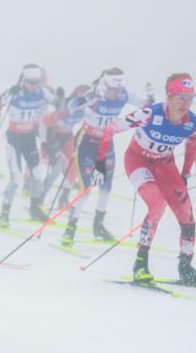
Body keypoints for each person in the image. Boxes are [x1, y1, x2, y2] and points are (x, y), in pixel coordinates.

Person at [95, 73, 196, 284]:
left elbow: (192, 144)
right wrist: (100, 163)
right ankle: (140, 263)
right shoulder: (149, 114)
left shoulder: (191, 122)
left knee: (187, 215)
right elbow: (109, 129)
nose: (185, 104)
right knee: (157, 204)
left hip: (166, 167)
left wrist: (185, 172)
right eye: (181, 98)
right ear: (169, 96)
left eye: (190, 98)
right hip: (138, 162)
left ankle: (185, 266)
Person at [61, 68, 150, 246]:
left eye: (118, 89)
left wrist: (151, 98)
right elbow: (70, 107)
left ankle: (98, 225)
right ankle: (70, 228)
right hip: (86, 144)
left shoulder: (124, 95)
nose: (116, 93)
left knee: (106, 187)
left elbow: (145, 106)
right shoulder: (94, 95)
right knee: (86, 188)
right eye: (112, 89)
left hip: (106, 144)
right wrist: (86, 98)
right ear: (104, 85)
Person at [0, 64, 57, 227]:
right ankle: (4, 213)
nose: (33, 86)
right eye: (30, 82)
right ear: (24, 80)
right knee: (16, 178)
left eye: (36, 82)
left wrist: (60, 99)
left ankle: (35, 209)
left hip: (29, 138)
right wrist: (8, 92)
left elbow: (59, 104)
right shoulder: (16, 93)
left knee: (37, 175)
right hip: (13, 139)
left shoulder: (42, 92)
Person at [39, 84, 88, 209]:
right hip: (55, 139)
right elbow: (45, 121)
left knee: (73, 168)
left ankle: (63, 199)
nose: (81, 103)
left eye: (85, 99)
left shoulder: (86, 110)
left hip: (67, 138)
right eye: (79, 98)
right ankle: (39, 197)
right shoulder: (65, 106)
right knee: (56, 169)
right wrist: (44, 143)